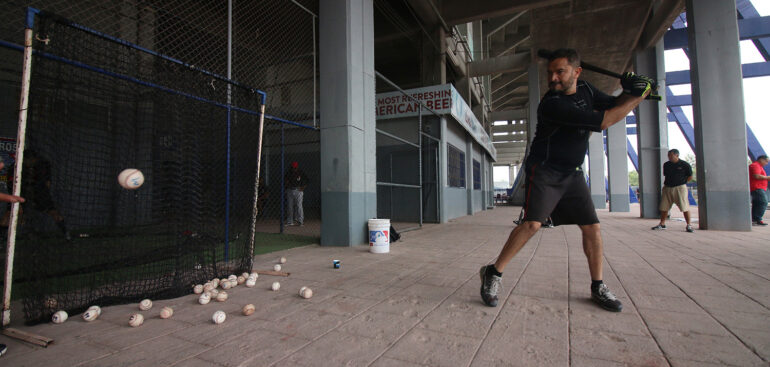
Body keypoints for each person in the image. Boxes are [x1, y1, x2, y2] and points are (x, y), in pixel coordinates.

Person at [479, 48, 654, 312]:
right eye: (550, 73)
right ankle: (493, 272)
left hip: (572, 172)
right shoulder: (552, 104)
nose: (553, 78)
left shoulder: (586, 89)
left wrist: (629, 91)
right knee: (532, 225)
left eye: (560, 72)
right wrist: (640, 95)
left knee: (592, 228)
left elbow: (612, 104)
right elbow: (605, 121)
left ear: (576, 72)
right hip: (546, 171)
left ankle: (598, 287)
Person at [651, 149, 694, 232]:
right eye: (668, 155)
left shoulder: (684, 165)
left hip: (680, 188)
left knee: (684, 206)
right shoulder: (666, 165)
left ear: (677, 155)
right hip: (667, 188)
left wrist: (682, 182)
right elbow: (666, 175)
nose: (669, 157)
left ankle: (689, 225)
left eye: (671, 155)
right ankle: (662, 224)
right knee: (664, 206)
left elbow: (690, 176)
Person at [284, 161, 308, 226]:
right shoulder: (289, 172)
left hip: (298, 190)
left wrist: (303, 188)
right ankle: (290, 221)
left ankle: (300, 221)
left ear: (297, 167)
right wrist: (286, 187)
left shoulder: (300, 172)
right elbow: (285, 181)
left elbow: (307, 180)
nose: (294, 168)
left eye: (295, 167)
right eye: (293, 167)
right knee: (290, 206)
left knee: (299, 206)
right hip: (290, 190)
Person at [749, 155, 770, 226]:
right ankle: (757, 219)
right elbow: (756, 176)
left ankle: (755, 219)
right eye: (766, 161)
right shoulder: (755, 166)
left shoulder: (759, 166)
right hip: (757, 188)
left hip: (758, 188)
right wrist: (768, 177)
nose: (766, 163)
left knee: (757, 204)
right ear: (761, 159)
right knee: (763, 202)